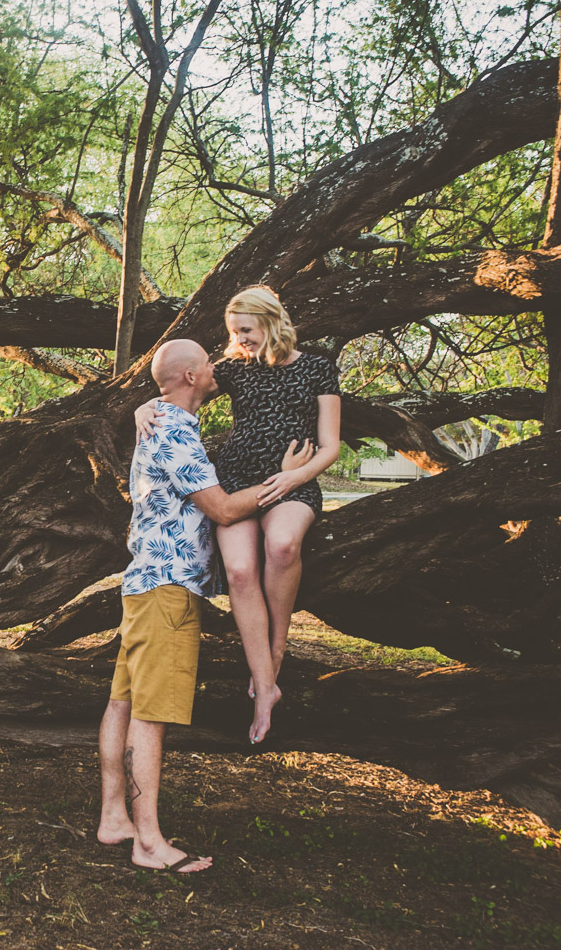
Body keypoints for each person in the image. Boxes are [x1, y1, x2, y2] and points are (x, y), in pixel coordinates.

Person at [98, 338, 314, 873]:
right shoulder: (173, 432)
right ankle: (148, 842)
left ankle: (114, 817)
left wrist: (144, 403)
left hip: (145, 583)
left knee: (124, 702)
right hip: (168, 588)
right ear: (192, 377)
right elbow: (220, 508)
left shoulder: (165, 421)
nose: (218, 368)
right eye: (208, 364)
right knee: (151, 714)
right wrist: (284, 481)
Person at [137, 286, 341, 742]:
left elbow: (331, 445)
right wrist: (142, 407)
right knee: (241, 571)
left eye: (245, 330)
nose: (240, 339)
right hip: (236, 479)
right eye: (234, 332)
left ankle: (275, 653)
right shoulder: (235, 370)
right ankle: (264, 687)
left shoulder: (318, 367)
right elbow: (178, 388)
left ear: (271, 321)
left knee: (283, 545)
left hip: (291, 481)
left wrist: (295, 478)